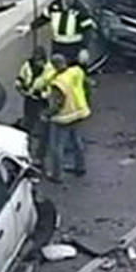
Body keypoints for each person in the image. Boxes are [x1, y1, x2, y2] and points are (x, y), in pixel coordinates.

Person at [44, 53, 90, 182]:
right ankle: (80, 166)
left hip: (64, 117)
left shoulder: (58, 83)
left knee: (57, 146)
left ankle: (56, 175)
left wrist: (46, 114)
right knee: (76, 141)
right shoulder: (76, 72)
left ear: (54, 66)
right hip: (79, 112)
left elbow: (58, 103)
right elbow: (86, 86)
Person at [14, 46, 54, 162]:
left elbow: (51, 88)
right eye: (36, 60)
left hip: (42, 102)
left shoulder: (49, 69)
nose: (38, 63)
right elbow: (21, 78)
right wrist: (20, 86)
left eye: (40, 60)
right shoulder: (27, 65)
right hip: (29, 100)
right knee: (27, 125)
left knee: (43, 128)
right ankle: (26, 151)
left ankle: (40, 155)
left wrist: (41, 94)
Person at [44, 0, 94, 64]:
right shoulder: (55, 6)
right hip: (58, 45)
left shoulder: (80, 9)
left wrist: (84, 48)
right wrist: (29, 27)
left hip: (74, 46)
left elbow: (87, 30)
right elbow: (44, 17)